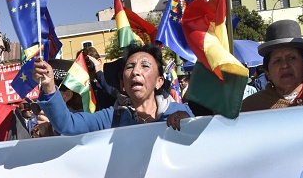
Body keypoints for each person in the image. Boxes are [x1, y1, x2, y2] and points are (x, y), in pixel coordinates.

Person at [32, 43, 193, 136]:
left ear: (159, 82)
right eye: (130, 67)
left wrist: (191, 123)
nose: (136, 71)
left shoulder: (180, 112)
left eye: (145, 66)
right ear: (123, 84)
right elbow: (68, 125)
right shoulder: (112, 117)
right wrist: (49, 86)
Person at [241, 20, 303, 112]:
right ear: (267, 72)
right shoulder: (251, 107)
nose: (285, 65)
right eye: (277, 61)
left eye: (292, 58)